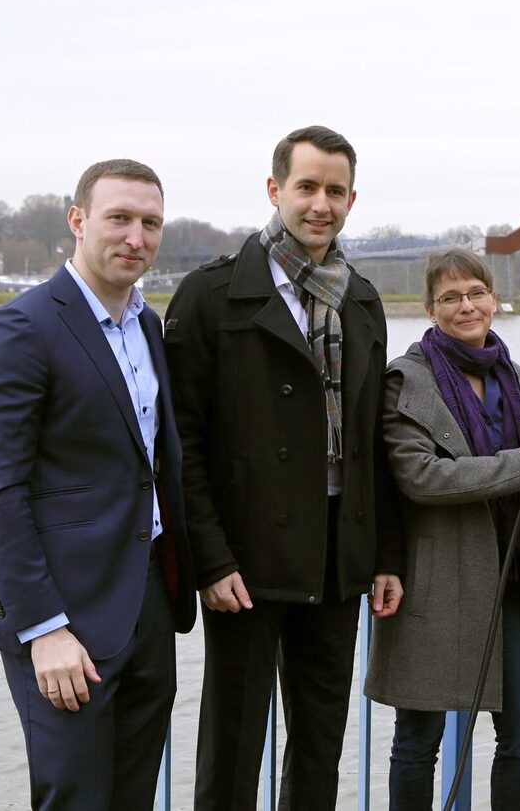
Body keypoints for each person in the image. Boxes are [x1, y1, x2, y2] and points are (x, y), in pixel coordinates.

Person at [164, 125, 405, 810]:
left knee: (321, 744)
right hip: (246, 560)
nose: (321, 204)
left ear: (352, 199)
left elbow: (373, 442)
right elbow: (180, 445)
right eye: (307, 187)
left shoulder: (360, 298)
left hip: (337, 554)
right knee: (233, 747)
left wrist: (385, 554)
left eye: (336, 191)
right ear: (275, 190)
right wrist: (210, 559)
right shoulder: (210, 296)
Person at [0, 159, 196, 809]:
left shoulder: (147, 326)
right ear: (78, 220)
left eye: (151, 223)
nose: (136, 238)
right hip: (65, 619)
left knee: (132, 797)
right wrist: (44, 628)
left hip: (147, 602)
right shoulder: (19, 329)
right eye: (119, 218)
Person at [364, 248, 520, 811]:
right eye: (450, 297)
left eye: (476, 293)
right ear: (430, 309)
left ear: (493, 298)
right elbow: (419, 477)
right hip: (436, 580)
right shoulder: (405, 383)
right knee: (418, 742)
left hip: (514, 579)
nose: (466, 306)